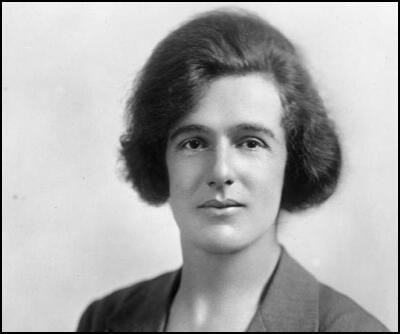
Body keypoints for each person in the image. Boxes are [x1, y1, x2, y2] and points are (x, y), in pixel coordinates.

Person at [77, 8, 389, 332]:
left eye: (251, 143)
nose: (221, 171)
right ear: (160, 159)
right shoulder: (106, 320)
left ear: (293, 159)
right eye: (194, 143)